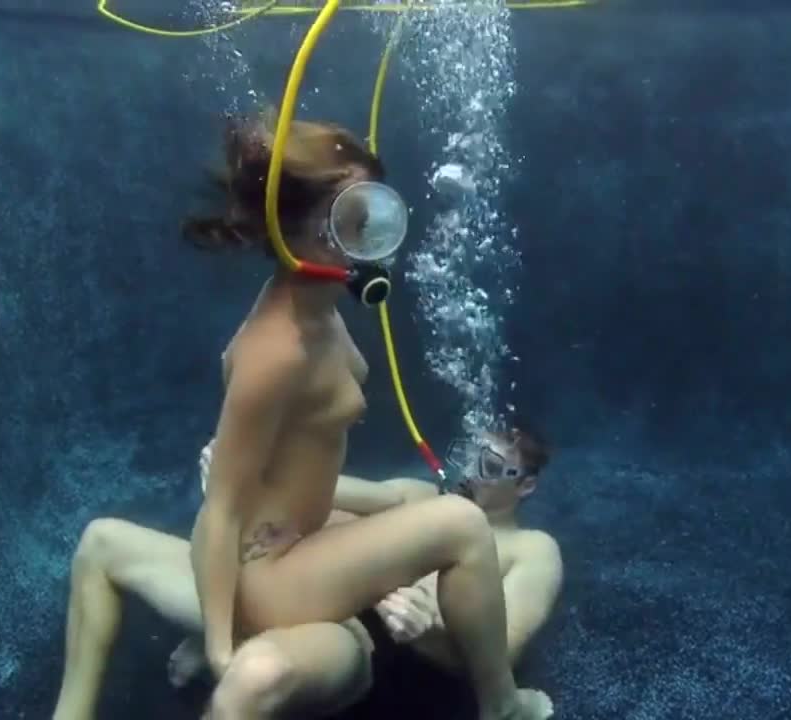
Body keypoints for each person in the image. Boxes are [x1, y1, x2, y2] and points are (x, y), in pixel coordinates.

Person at [183, 109, 549, 720]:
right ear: (313, 229)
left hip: (292, 545)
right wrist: (221, 648)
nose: (373, 222)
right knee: (461, 522)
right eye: (356, 210)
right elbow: (219, 509)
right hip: (269, 577)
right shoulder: (280, 347)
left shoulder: (318, 308)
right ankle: (503, 705)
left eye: (371, 205)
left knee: (421, 506)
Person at [51, 428, 563, 719]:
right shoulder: (419, 494)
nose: (470, 473)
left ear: (526, 486)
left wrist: (427, 632)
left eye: (489, 466)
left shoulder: (533, 550)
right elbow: (336, 495)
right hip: (290, 593)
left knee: (253, 676)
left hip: (354, 638)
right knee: (102, 542)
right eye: (468, 456)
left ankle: (233, 639)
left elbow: (499, 654)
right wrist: (250, 476)